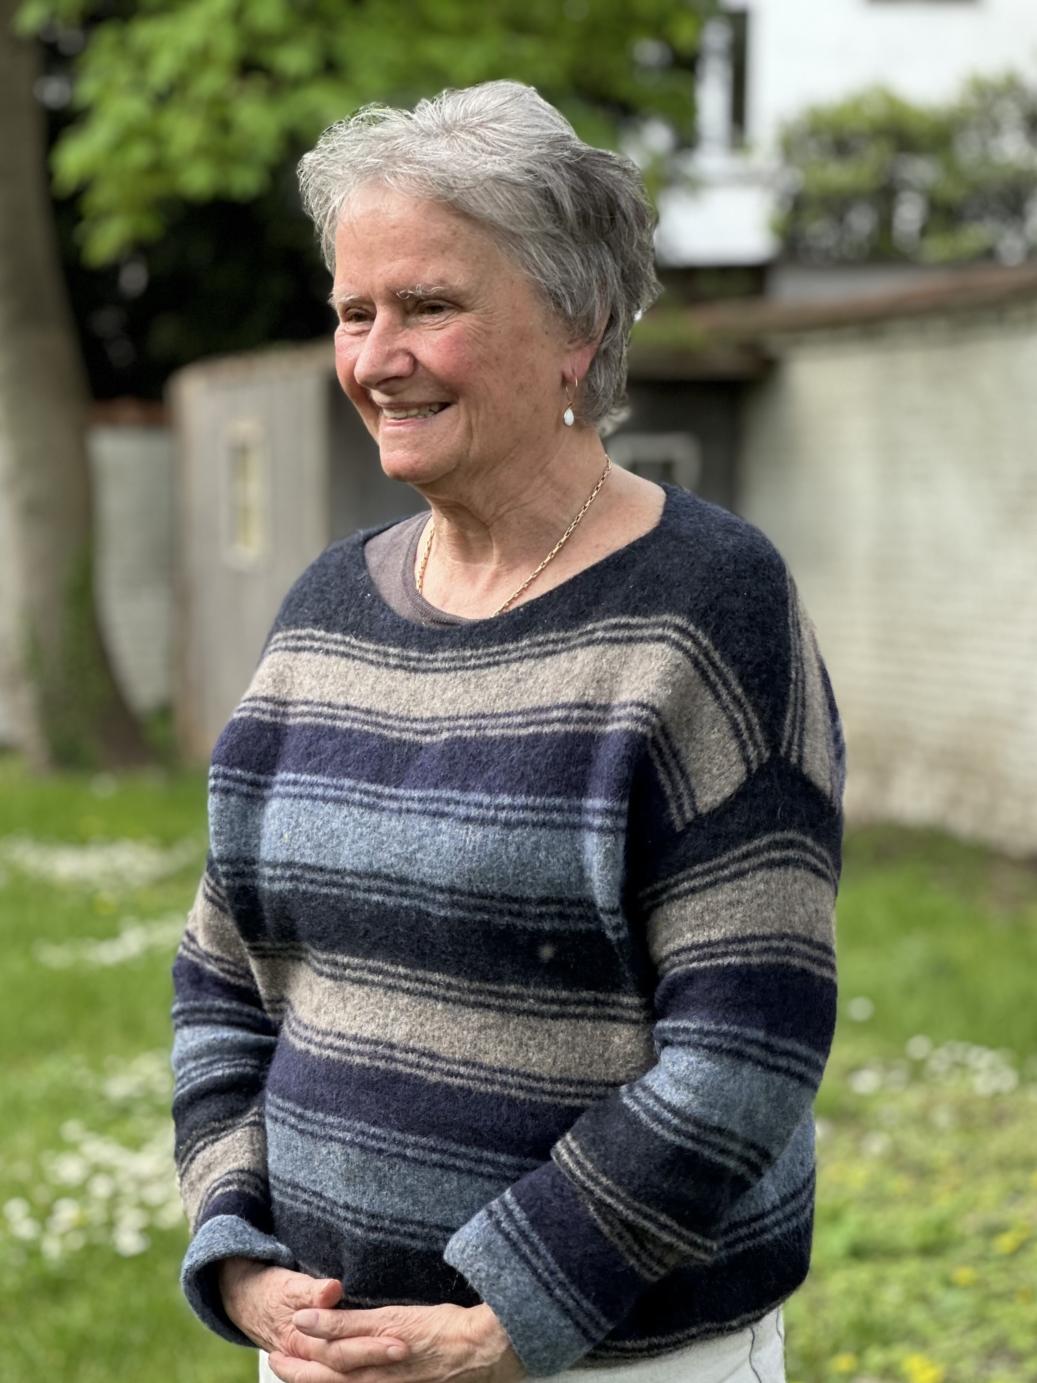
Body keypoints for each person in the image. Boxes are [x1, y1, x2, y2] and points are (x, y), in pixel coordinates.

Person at [171, 80, 844, 1383]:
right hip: (324, 1350)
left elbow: (746, 1043)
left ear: (577, 329)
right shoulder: (322, 614)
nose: (375, 357)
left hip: (611, 1358)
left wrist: (506, 1316)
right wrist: (238, 1242)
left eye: (428, 307)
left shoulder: (705, 609)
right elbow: (222, 974)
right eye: (353, 313)